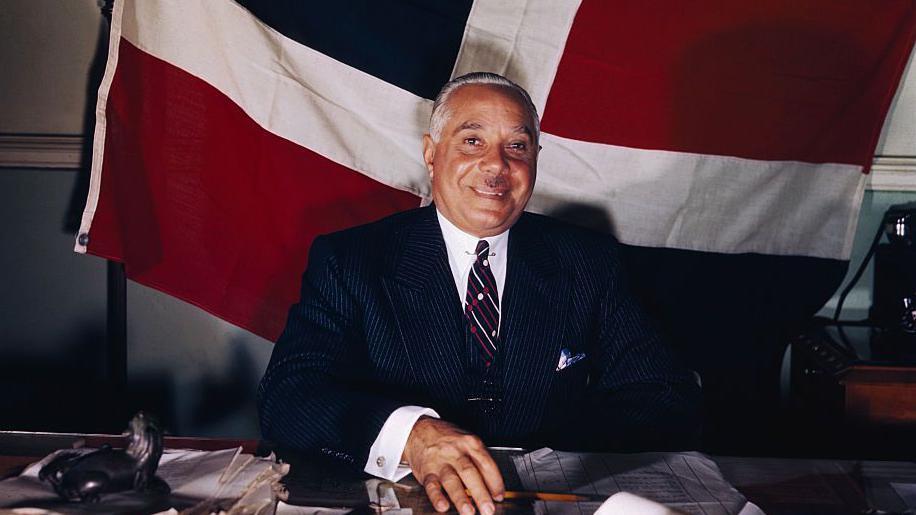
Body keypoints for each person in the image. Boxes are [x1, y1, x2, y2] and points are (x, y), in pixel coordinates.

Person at [258, 72, 701, 515]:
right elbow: (289, 397)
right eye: (472, 141)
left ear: (536, 159)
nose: (496, 166)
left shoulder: (588, 260)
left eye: (517, 146)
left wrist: (551, 457)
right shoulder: (351, 260)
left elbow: (663, 392)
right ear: (432, 153)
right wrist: (411, 437)